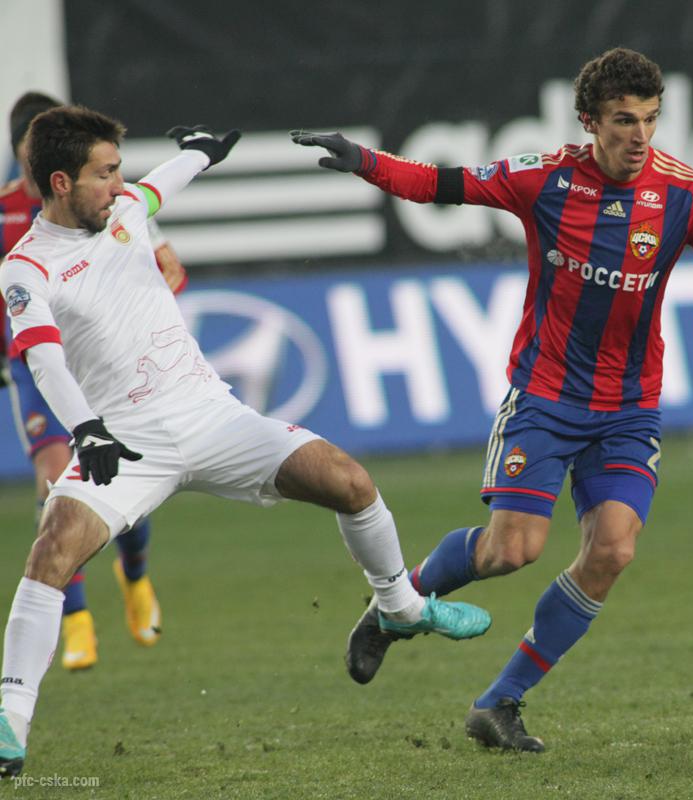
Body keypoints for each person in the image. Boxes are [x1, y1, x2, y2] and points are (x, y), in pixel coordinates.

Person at [293, 46, 693, 752]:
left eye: (650, 119)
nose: (640, 136)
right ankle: (391, 608)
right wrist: (365, 161)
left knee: (613, 551)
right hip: (546, 398)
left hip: (629, 408)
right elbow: (441, 184)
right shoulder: (545, 178)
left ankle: (500, 702)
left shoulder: (683, 192)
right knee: (511, 551)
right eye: (623, 120)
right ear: (590, 121)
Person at [0, 106, 492, 779]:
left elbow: (161, 184)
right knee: (52, 549)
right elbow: (43, 359)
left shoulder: (125, 208)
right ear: (61, 183)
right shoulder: (26, 267)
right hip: (125, 441)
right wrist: (85, 428)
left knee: (350, 482)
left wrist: (202, 153)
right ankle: (11, 721)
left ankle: (400, 607)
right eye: (105, 173)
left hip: (212, 417)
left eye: (119, 170)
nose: (121, 184)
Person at [2, 92, 177, 671]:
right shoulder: (5, 215)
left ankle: (135, 573)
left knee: (121, 484)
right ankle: (76, 622)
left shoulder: (104, 207)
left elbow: (165, 266)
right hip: (35, 366)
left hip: (100, 364)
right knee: (57, 485)